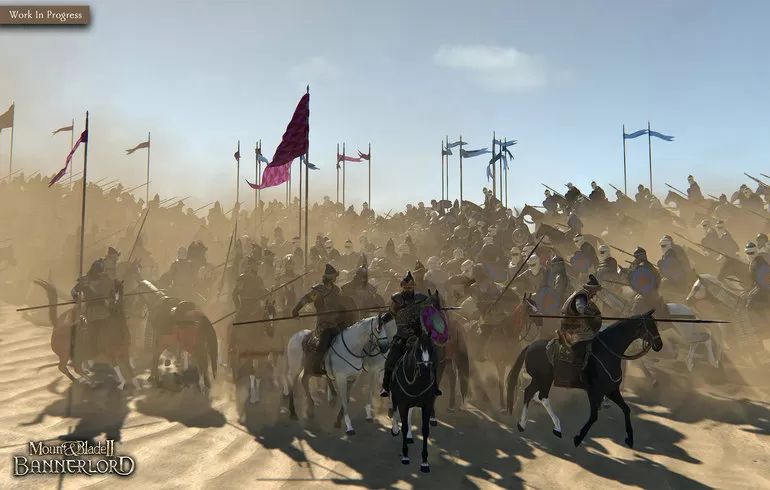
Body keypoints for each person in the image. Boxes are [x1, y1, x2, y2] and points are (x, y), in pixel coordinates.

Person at [381, 271, 440, 397]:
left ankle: (434, 385)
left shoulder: (421, 299)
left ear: (414, 287)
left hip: (418, 335)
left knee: (431, 356)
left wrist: (434, 306)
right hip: (401, 335)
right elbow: (391, 314)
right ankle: (385, 387)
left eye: (410, 287)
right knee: (391, 360)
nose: (408, 289)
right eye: (406, 287)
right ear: (402, 286)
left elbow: (429, 311)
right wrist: (381, 321)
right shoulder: (396, 299)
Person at [292, 264, 344, 374]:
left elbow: (342, 304)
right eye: (334, 276)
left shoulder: (337, 290)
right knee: (325, 338)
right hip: (323, 324)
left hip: (336, 322)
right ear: (329, 277)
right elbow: (306, 299)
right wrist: (296, 309)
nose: (335, 278)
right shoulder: (319, 290)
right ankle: (316, 365)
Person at [558, 274, 603, 377]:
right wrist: (593, 314)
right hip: (571, 326)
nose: (595, 293)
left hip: (575, 323)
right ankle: (580, 365)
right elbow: (580, 309)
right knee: (591, 337)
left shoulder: (584, 295)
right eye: (595, 291)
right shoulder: (582, 296)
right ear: (591, 289)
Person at [232, 255, 268, 324]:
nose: (258, 266)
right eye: (256, 264)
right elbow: (234, 294)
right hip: (245, 308)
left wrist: (267, 293)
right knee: (238, 325)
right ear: (250, 265)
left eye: (258, 264)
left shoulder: (259, 279)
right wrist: (238, 307)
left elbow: (262, 295)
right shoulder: (243, 278)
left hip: (257, 308)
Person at [744, 242, 769, 311]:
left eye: (752, 253)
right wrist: (749, 290)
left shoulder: (759, 262)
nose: (750, 255)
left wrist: (751, 293)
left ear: (756, 252)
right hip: (761, 288)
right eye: (748, 253)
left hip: (765, 289)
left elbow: (765, 282)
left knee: (749, 304)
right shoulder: (753, 262)